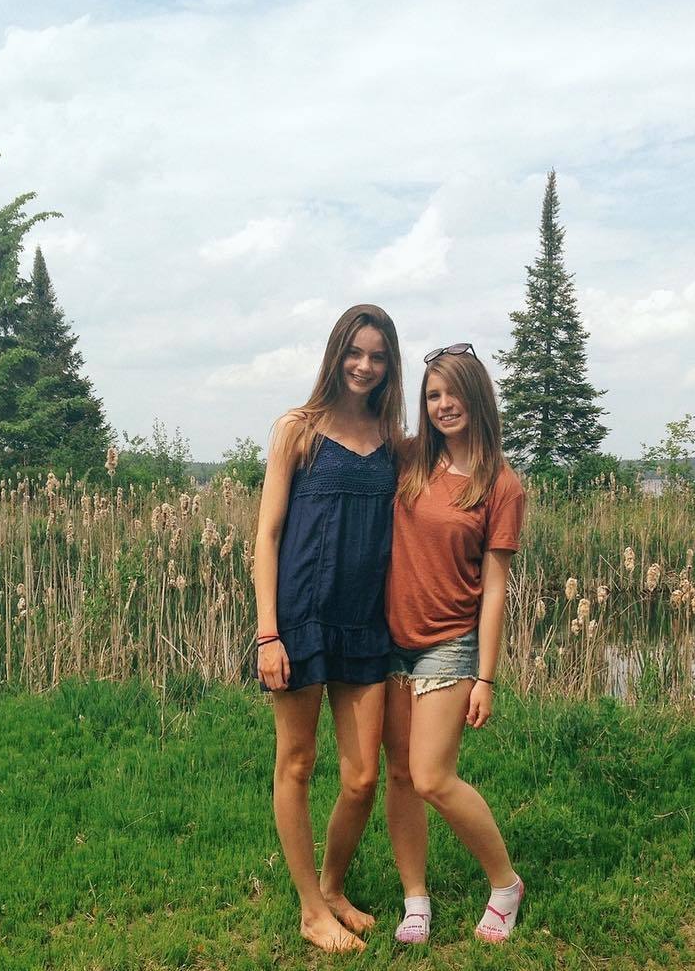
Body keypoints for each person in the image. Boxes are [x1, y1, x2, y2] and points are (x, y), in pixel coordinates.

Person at [253, 303, 405, 953]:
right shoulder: (299, 429)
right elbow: (267, 535)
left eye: (377, 356)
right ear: (336, 353)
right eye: (355, 352)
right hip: (300, 617)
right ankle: (310, 910)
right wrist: (268, 633)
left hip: (365, 621)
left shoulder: (392, 440)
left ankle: (333, 887)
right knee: (296, 760)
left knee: (362, 777)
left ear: (389, 365)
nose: (364, 365)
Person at [382, 343, 526, 945]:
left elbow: (494, 590)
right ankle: (415, 898)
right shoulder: (411, 459)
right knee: (398, 774)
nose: (443, 405)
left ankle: (505, 884)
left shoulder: (501, 485)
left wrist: (486, 677)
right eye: (433, 395)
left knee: (432, 777)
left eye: (454, 393)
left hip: (450, 642)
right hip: (391, 639)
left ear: (478, 397)